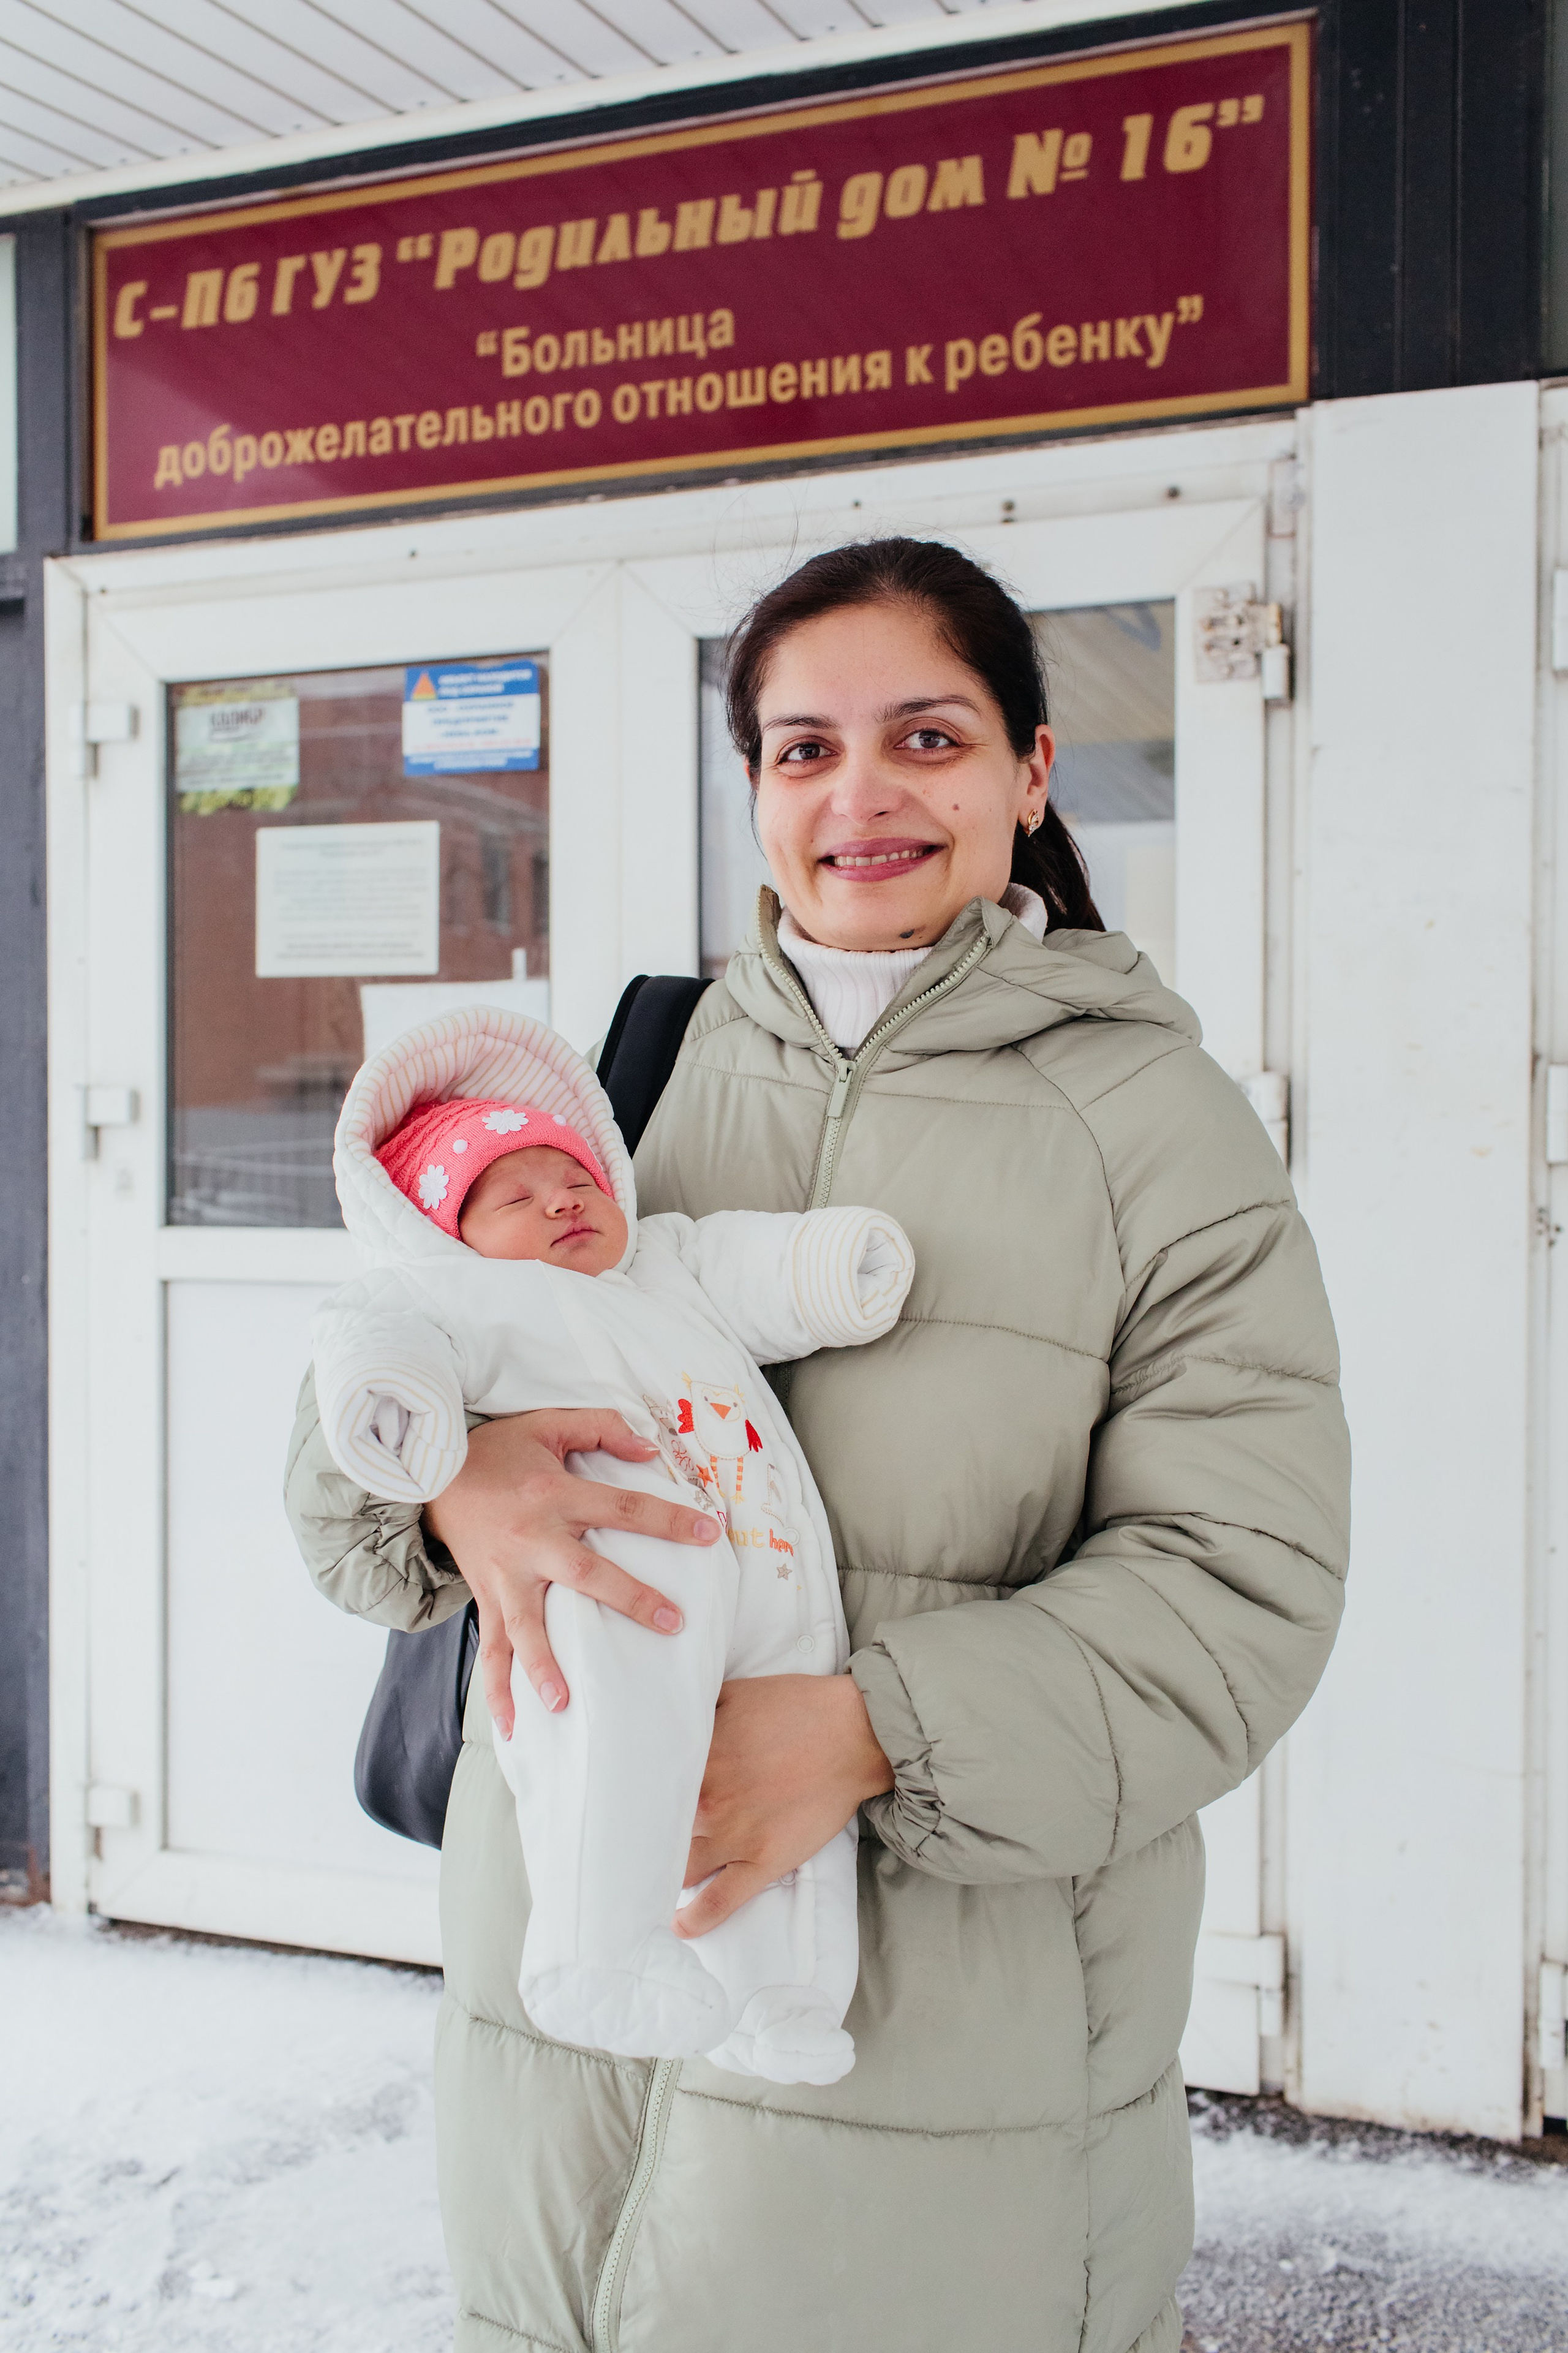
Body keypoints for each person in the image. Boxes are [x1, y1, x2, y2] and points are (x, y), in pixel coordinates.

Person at [285, 535, 1350, 2353]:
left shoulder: (1159, 1131)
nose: (860, 793)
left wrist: (868, 1729)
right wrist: (455, 1483)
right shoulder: (622, 1085)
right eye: (801, 749)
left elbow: (1241, 1585)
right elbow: (364, 1400)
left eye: (926, 738)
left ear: (1030, 769)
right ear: (756, 791)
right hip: (564, 2033)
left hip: (945, 2075)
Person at [311, 1019, 913, 2082]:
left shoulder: (660, 1264)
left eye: (575, 1177)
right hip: (598, 1572)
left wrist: (839, 1267)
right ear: (448, 1235)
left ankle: (782, 1994)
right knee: (618, 1752)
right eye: (514, 1195)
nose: (561, 1200)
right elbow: (371, 1353)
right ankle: (594, 1946)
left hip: (756, 1560)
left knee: (780, 1777)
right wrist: (424, 1451)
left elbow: (752, 1263)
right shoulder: (447, 1293)